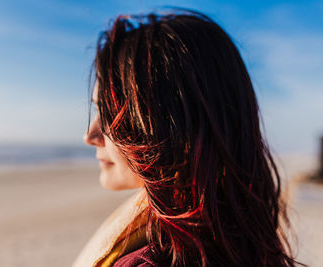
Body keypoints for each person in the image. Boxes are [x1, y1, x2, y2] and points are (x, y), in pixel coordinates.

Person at [75, 8, 301, 267]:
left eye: (112, 114)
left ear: (172, 125)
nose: (89, 135)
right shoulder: (247, 237)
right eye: (97, 110)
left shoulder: (149, 261)